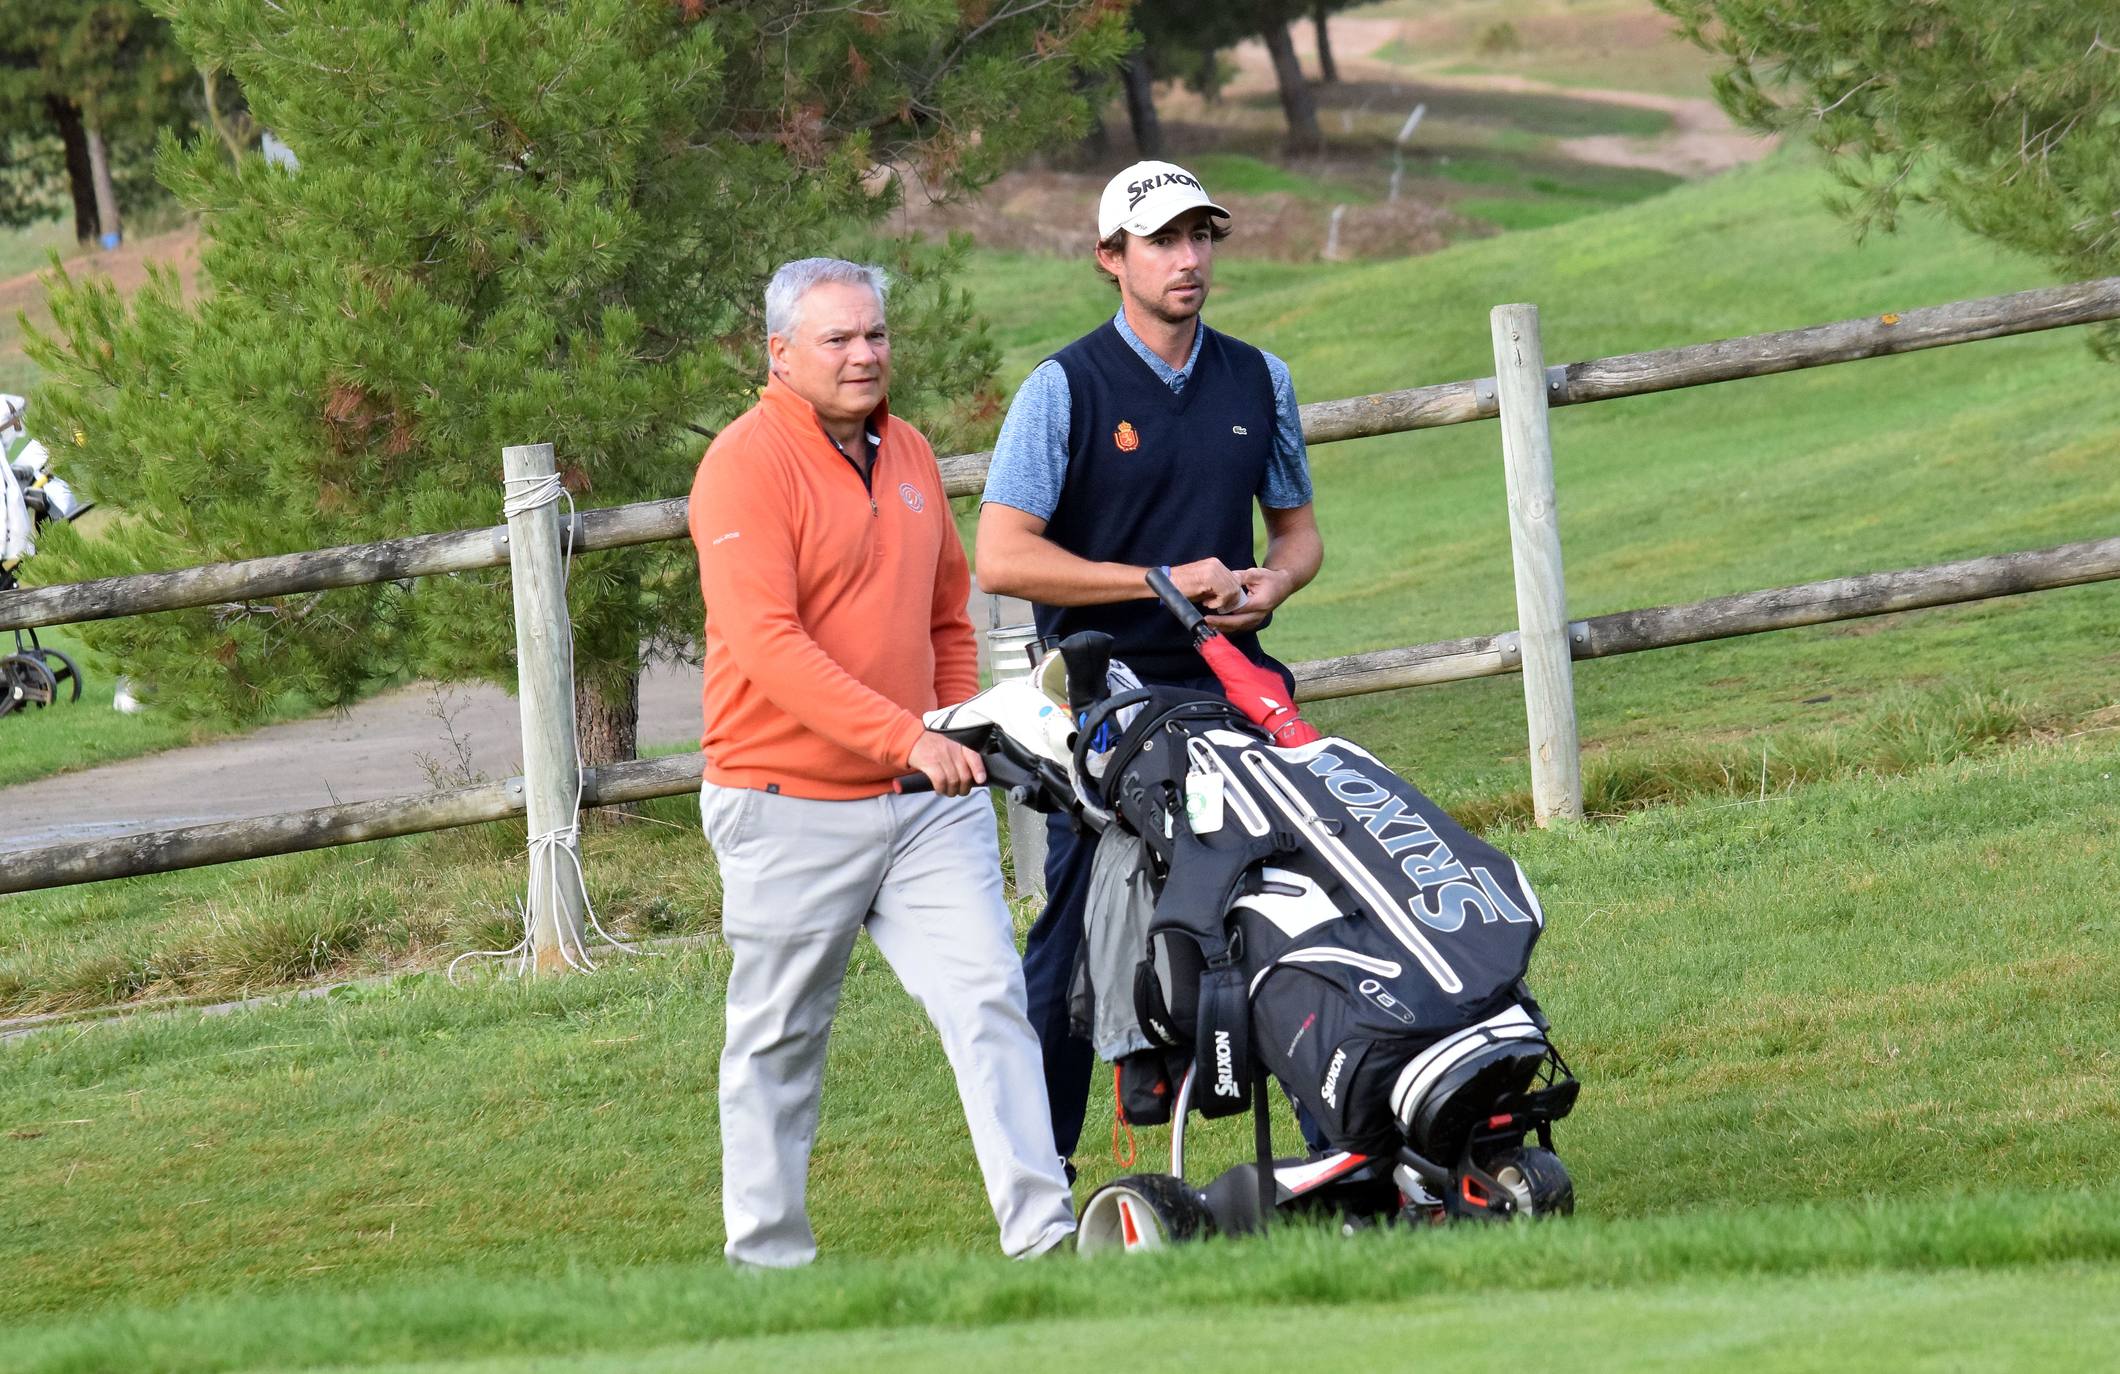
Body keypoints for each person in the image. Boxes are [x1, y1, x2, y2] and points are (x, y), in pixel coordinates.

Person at [690, 257, 1077, 1267]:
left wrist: (952, 722)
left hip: (922, 808)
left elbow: (950, 611)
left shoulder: (905, 450)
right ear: (779, 354)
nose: (864, 356)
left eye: (875, 336)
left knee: (990, 997)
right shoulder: (741, 465)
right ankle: (767, 1268)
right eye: (837, 340)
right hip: (784, 803)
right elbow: (768, 645)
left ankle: (1044, 1238)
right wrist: (907, 734)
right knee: (777, 1043)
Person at [976, 160, 1325, 1176]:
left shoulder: (1258, 379)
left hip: (1232, 682)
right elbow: (1001, 555)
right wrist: (1156, 580)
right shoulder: (1063, 388)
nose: (1187, 259)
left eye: (1200, 237)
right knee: (1077, 929)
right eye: (1163, 240)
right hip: (1097, 701)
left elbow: (1297, 534)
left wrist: (1274, 585)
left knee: (1293, 897)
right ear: (1109, 258)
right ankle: (1041, 1178)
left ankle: (1332, 1145)